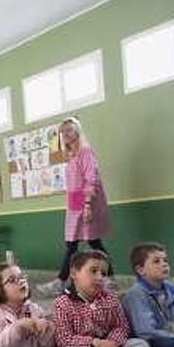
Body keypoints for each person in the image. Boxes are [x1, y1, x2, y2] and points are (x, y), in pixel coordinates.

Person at [54, 250, 154, 347]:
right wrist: (96, 344)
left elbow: (121, 326)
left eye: (104, 274)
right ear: (74, 273)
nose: (100, 277)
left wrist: (112, 343)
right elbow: (64, 340)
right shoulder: (62, 302)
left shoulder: (110, 298)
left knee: (141, 346)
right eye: (93, 271)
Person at [38, 117, 114, 297]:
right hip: (74, 202)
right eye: (63, 132)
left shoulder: (85, 151)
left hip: (87, 201)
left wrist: (87, 204)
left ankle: (106, 278)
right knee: (74, 242)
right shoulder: (71, 155)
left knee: (89, 242)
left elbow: (91, 178)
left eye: (70, 130)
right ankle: (65, 280)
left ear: (78, 132)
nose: (65, 134)